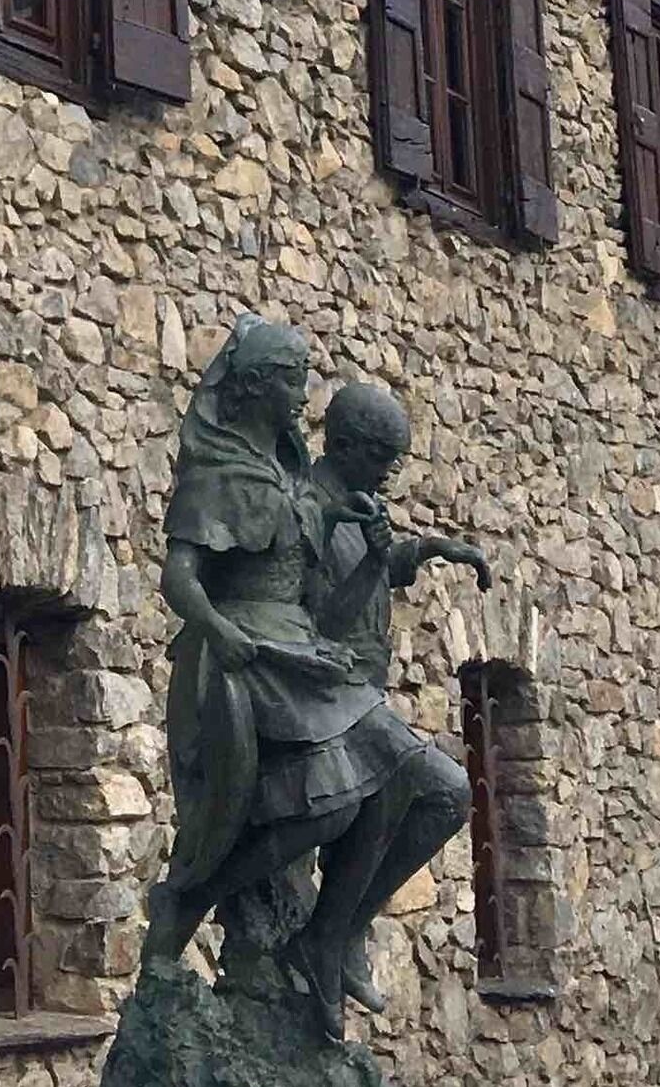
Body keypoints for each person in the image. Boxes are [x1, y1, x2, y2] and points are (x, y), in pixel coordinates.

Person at [144, 321, 490, 1041]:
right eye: (295, 379)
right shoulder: (220, 471)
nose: (306, 395)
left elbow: (318, 589)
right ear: (261, 386)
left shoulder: (291, 477)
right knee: (326, 809)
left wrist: (373, 544)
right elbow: (180, 577)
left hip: (306, 660)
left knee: (443, 790)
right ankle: (193, 903)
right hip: (246, 661)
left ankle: (330, 935)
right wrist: (223, 633)